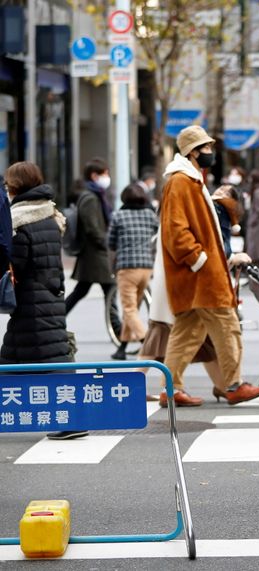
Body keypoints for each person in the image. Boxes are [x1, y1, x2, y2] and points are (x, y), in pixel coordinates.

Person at [157, 125, 259, 407]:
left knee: (186, 333)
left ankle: (172, 390)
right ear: (193, 152)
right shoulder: (181, 182)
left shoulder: (188, 180)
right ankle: (233, 385)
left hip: (196, 276)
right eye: (205, 148)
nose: (210, 152)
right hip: (202, 277)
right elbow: (175, 231)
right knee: (227, 326)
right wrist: (199, 260)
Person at [1, 162, 79, 439]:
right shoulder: (49, 213)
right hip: (49, 296)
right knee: (34, 354)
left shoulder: (20, 221)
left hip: (31, 301)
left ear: (16, 186)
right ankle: (73, 420)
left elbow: (18, 264)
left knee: (40, 358)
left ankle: (73, 421)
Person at [64, 159, 118, 333]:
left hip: (94, 256)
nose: (107, 177)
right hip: (96, 255)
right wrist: (107, 244)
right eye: (105, 174)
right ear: (94, 176)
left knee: (82, 291)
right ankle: (120, 333)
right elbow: (93, 229)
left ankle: (55, 321)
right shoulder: (90, 198)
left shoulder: (95, 195)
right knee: (110, 292)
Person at [107, 184, 159, 360]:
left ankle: (147, 342)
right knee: (133, 308)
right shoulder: (150, 215)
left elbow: (111, 242)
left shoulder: (118, 216)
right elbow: (156, 234)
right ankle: (122, 347)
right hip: (146, 267)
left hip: (127, 267)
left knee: (129, 309)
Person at [210, 184, 240, 258]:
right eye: (221, 189)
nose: (221, 192)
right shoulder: (214, 203)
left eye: (227, 193)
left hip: (216, 250)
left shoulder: (219, 206)